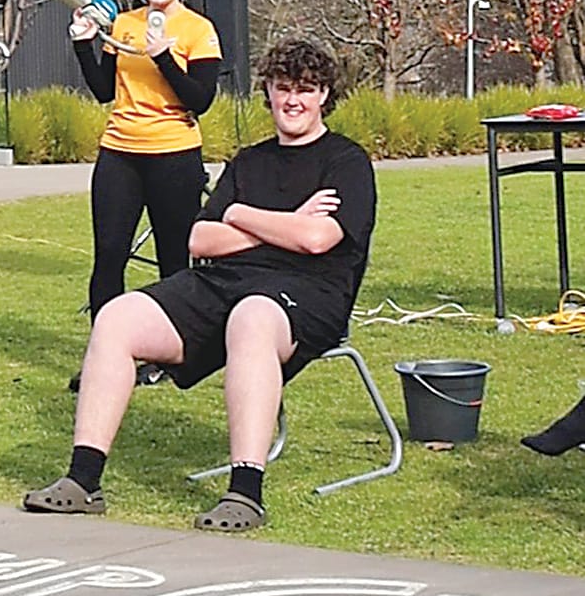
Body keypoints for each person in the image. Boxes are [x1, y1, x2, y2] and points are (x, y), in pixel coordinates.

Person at [24, 38, 376, 532]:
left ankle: (245, 493)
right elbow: (201, 238)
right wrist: (275, 221)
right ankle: (83, 481)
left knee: (252, 316)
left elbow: (318, 239)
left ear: (324, 97)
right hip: (221, 286)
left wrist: (242, 219)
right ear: (268, 94)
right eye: (282, 89)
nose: (293, 100)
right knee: (117, 317)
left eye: (306, 90)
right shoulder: (249, 161)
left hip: (307, 296)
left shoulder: (346, 161)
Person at [70, 0, 222, 388]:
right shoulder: (124, 23)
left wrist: (163, 57)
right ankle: (104, 357)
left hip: (174, 155)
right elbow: (103, 90)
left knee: (174, 261)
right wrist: (83, 47)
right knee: (109, 256)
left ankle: (169, 356)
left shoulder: (198, 30)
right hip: (119, 153)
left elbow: (201, 99)